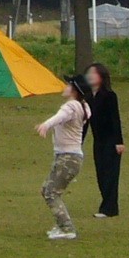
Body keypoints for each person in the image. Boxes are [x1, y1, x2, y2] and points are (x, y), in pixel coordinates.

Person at [35, 75, 91, 240]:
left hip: (67, 158)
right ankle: (61, 225)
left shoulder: (72, 106)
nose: (64, 87)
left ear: (74, 90)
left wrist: (46, 125)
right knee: (48, 190)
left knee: (50, 192)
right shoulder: (84, 106)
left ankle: (67, 228)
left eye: (68, 85)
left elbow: (60, 117)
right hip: (69, 157)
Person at [84, 62, 123, 219]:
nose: (89, 76)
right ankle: (107, 205)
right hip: (98, 141)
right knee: (101, 173)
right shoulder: (88, 97)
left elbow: (115, 120)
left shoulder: (109, 96)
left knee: (110, 175)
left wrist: (119, 142)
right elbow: (85, 122)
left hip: (111, 141)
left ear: (101, 77)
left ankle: (109, 208)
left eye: (92, 74)